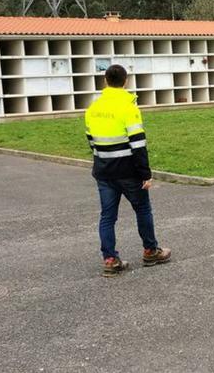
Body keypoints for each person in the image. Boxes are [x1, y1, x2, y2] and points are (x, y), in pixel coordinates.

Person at [85, 64, 171, 277]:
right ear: (125, 81)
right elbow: (138, 144)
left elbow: (91, 141)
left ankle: (110, 260)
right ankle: (151, 251)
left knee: (107, 216)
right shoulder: (129, 107)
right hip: (128, 171)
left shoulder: (93, 107)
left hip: (104, 171)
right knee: (142, 210)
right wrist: (145, 174)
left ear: (105, 81)